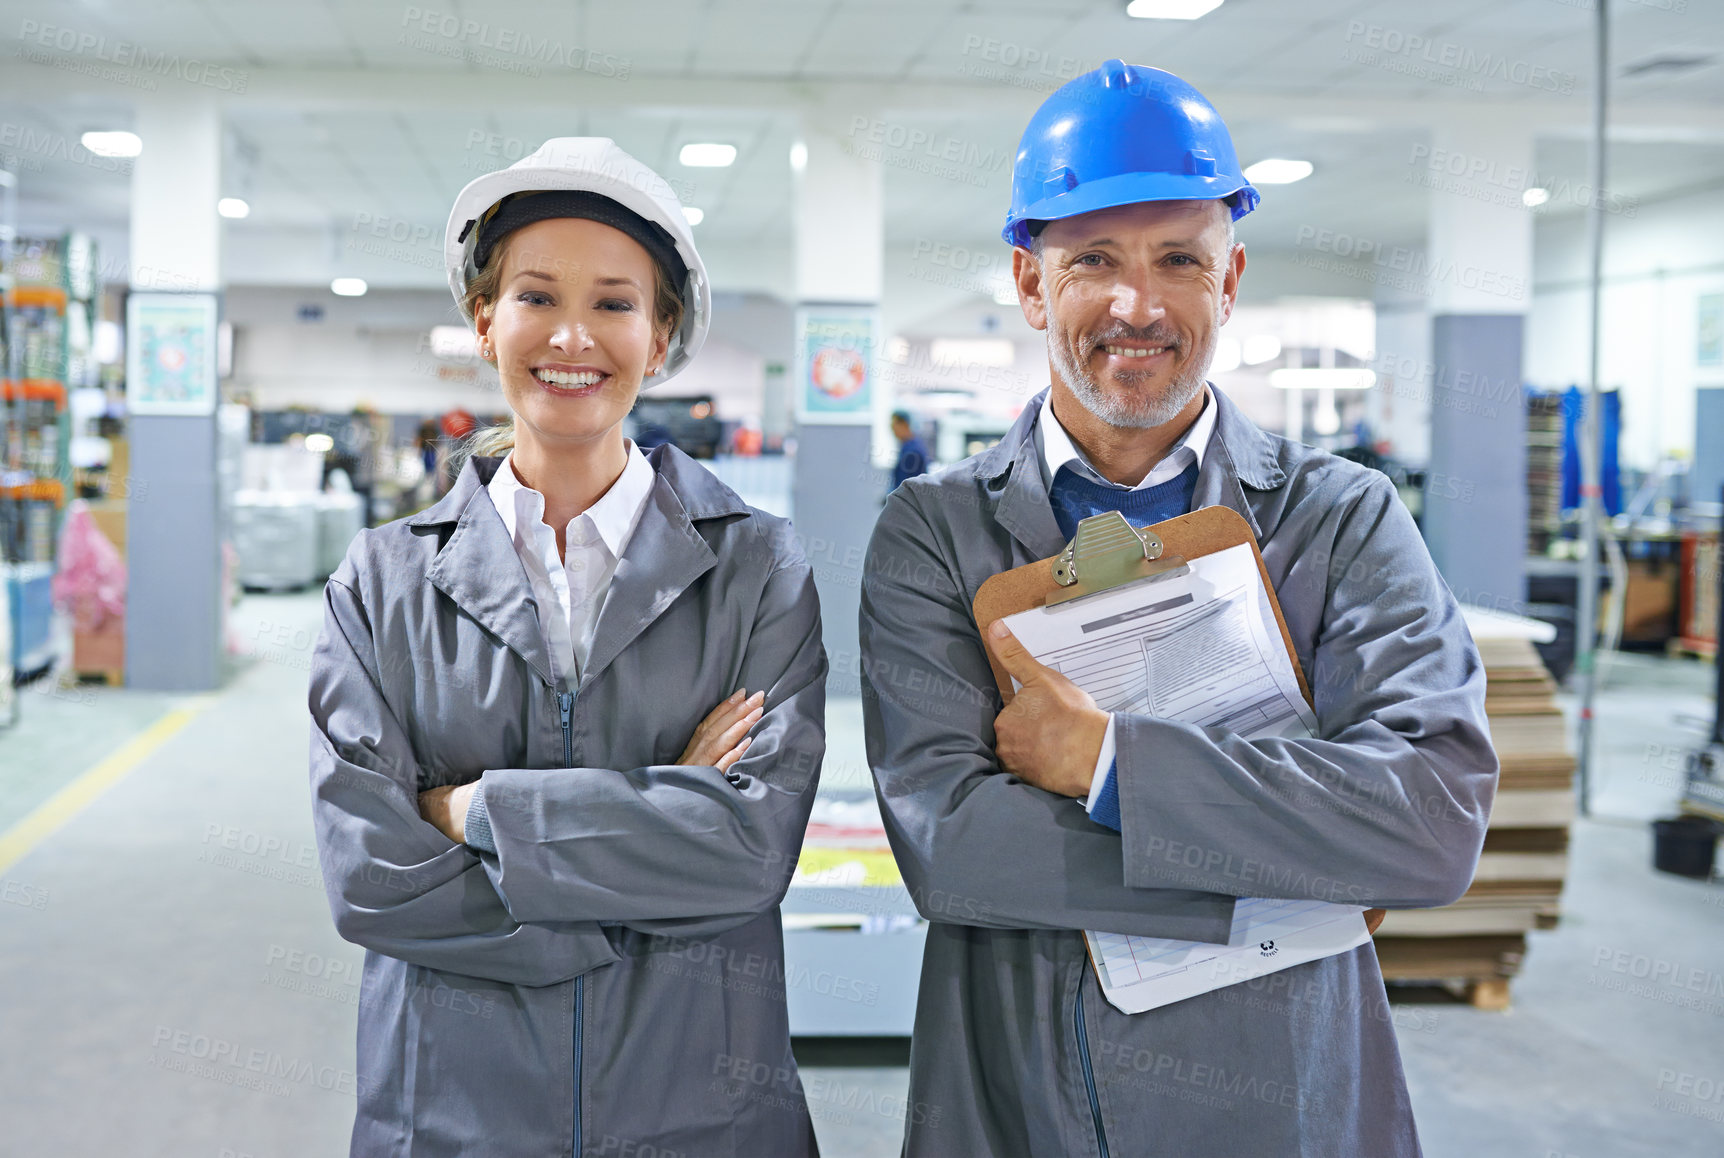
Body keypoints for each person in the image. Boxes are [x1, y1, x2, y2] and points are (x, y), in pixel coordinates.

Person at [859, 61, 1498, 1157]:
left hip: (1285, 1080)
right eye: (1091, 261)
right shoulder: (936, 531)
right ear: (1028, 282)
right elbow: (957, 853)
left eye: (1177, 261)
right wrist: (1304, 873)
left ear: (1230, 278)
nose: (1135, 305)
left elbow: (1430, 820)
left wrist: (1111, 767)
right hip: (1022, 1084)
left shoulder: (1340, 518)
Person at [308, 137, 826, 1157]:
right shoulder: (378, 584)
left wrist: (471, 810)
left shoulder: (759, 568)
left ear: (662, 330)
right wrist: (654, 832)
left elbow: (746, 852)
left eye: (617, 303)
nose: (572, 335)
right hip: (453, 1111)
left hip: (698, 1105)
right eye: (536, 296)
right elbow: (371, 877)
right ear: (483, 319)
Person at [889, 409, 930, 491]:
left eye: (894, 426)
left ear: (904, 424)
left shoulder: (912, 451)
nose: (893, 430)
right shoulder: (907, 447)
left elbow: (905, 484)